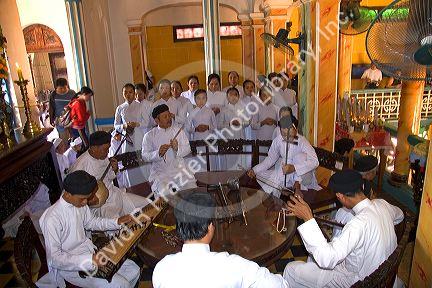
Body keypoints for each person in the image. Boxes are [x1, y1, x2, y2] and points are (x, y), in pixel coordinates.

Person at [283, 169, 404, 288]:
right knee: (313, 256)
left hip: (359, 281)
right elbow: (400, 216)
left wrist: (308, 218)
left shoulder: (357, 224)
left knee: (291, 269)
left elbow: (326, 259)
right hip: (380, 275)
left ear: (340, 196)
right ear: (361, 187)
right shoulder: (382, 204)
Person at [152, 191, 289, 288]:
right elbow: (280, 285)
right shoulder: (235, 266)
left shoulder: (161, 269)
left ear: (178, 228)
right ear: (210, 227)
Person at [37, 171, 140, 288]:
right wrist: (90, 260)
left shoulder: (79, 204)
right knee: (121, 284)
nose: (86, 202)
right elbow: (54, 259)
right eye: (82, 199)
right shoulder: (52, 218)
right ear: (68, 194)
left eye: (87, 198)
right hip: (72, 267)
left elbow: (91, 222)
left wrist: (117, 222)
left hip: (90, 253)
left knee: (133, 270)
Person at [70, 131, 149, 218]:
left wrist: (114, 170)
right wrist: (90, 200)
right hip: (101, 206)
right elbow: (74, 195)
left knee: (148, 206)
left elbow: (109, 177)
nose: (107, 152)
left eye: (108, 149)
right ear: (94, 148)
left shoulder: (103, 157)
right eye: (105, 149)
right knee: (116, 226)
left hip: (115, 195)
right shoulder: (80, 166)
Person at [248, 116, 321, 197]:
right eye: (283, 134)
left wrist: (294, 168)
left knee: (300, 157)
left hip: (303, 177)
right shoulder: (278, 140)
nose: (285, 137)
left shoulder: (302, 141)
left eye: (288, 134)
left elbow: (315, 161)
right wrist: (254, 170)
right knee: (260, 175)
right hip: (286, 175)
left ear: (295, 130)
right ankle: (276, 191)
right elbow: (271, 159)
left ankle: (296, 187)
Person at [142, 104, 197, 197]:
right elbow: (144, 156)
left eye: (169, 115)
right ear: (156, 120)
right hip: (161, 174)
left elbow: (188, 149)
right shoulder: (149, 135)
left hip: (180, 172)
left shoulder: (178, 131)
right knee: (166, 195)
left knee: (191, 190)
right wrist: (158, 153)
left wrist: (177, 148)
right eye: (165, 117)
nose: (169, 118)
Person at [333, 155, 378, 238]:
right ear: (369, 174)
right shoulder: (364, 186)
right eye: (375, 172)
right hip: (349, 215)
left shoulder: (353, 179)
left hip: (342, 212)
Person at [114, 83, 150, 187]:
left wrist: (137, 124)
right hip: (126, 137)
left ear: (134, 93)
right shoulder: (120, 108)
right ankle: (130, 185)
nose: (128, 94)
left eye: (130, 92)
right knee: (127, 161)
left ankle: (144, 183)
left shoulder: (140, 106)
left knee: (140, 159)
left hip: (139, 135)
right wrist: (124, 126)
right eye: (126, 92)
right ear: (123, 94)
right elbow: (116, 125)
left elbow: (146, 122)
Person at [218, 87, 250, 170]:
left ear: (239, 96)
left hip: (240, 137)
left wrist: (241, 123)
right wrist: (230, 123)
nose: (233, 97)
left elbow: (248, 122)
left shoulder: (243, 109)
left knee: (240, 159)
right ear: (227, 97)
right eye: (230, 95)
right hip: (228, 139)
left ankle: (240, 180)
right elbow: (219, 125)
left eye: (235, 95)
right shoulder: (224, 110)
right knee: (229, 160)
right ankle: (229, 180)